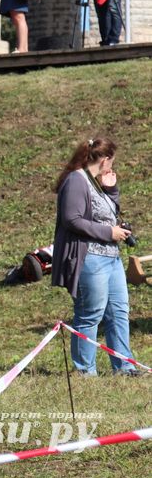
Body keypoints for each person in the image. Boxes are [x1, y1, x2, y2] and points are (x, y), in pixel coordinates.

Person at [51, 137, 139, 377]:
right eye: (112, 161)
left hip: (112, 258)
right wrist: (109, 233)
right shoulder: (76, 180)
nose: (112, 166)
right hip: (90, 258)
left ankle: (124, 367)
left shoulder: (96, 182)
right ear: (104, 160)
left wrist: (111, 189)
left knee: (119, 312)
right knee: (90, 313)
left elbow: (108, 213)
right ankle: (85, 371)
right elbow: (72, 219)